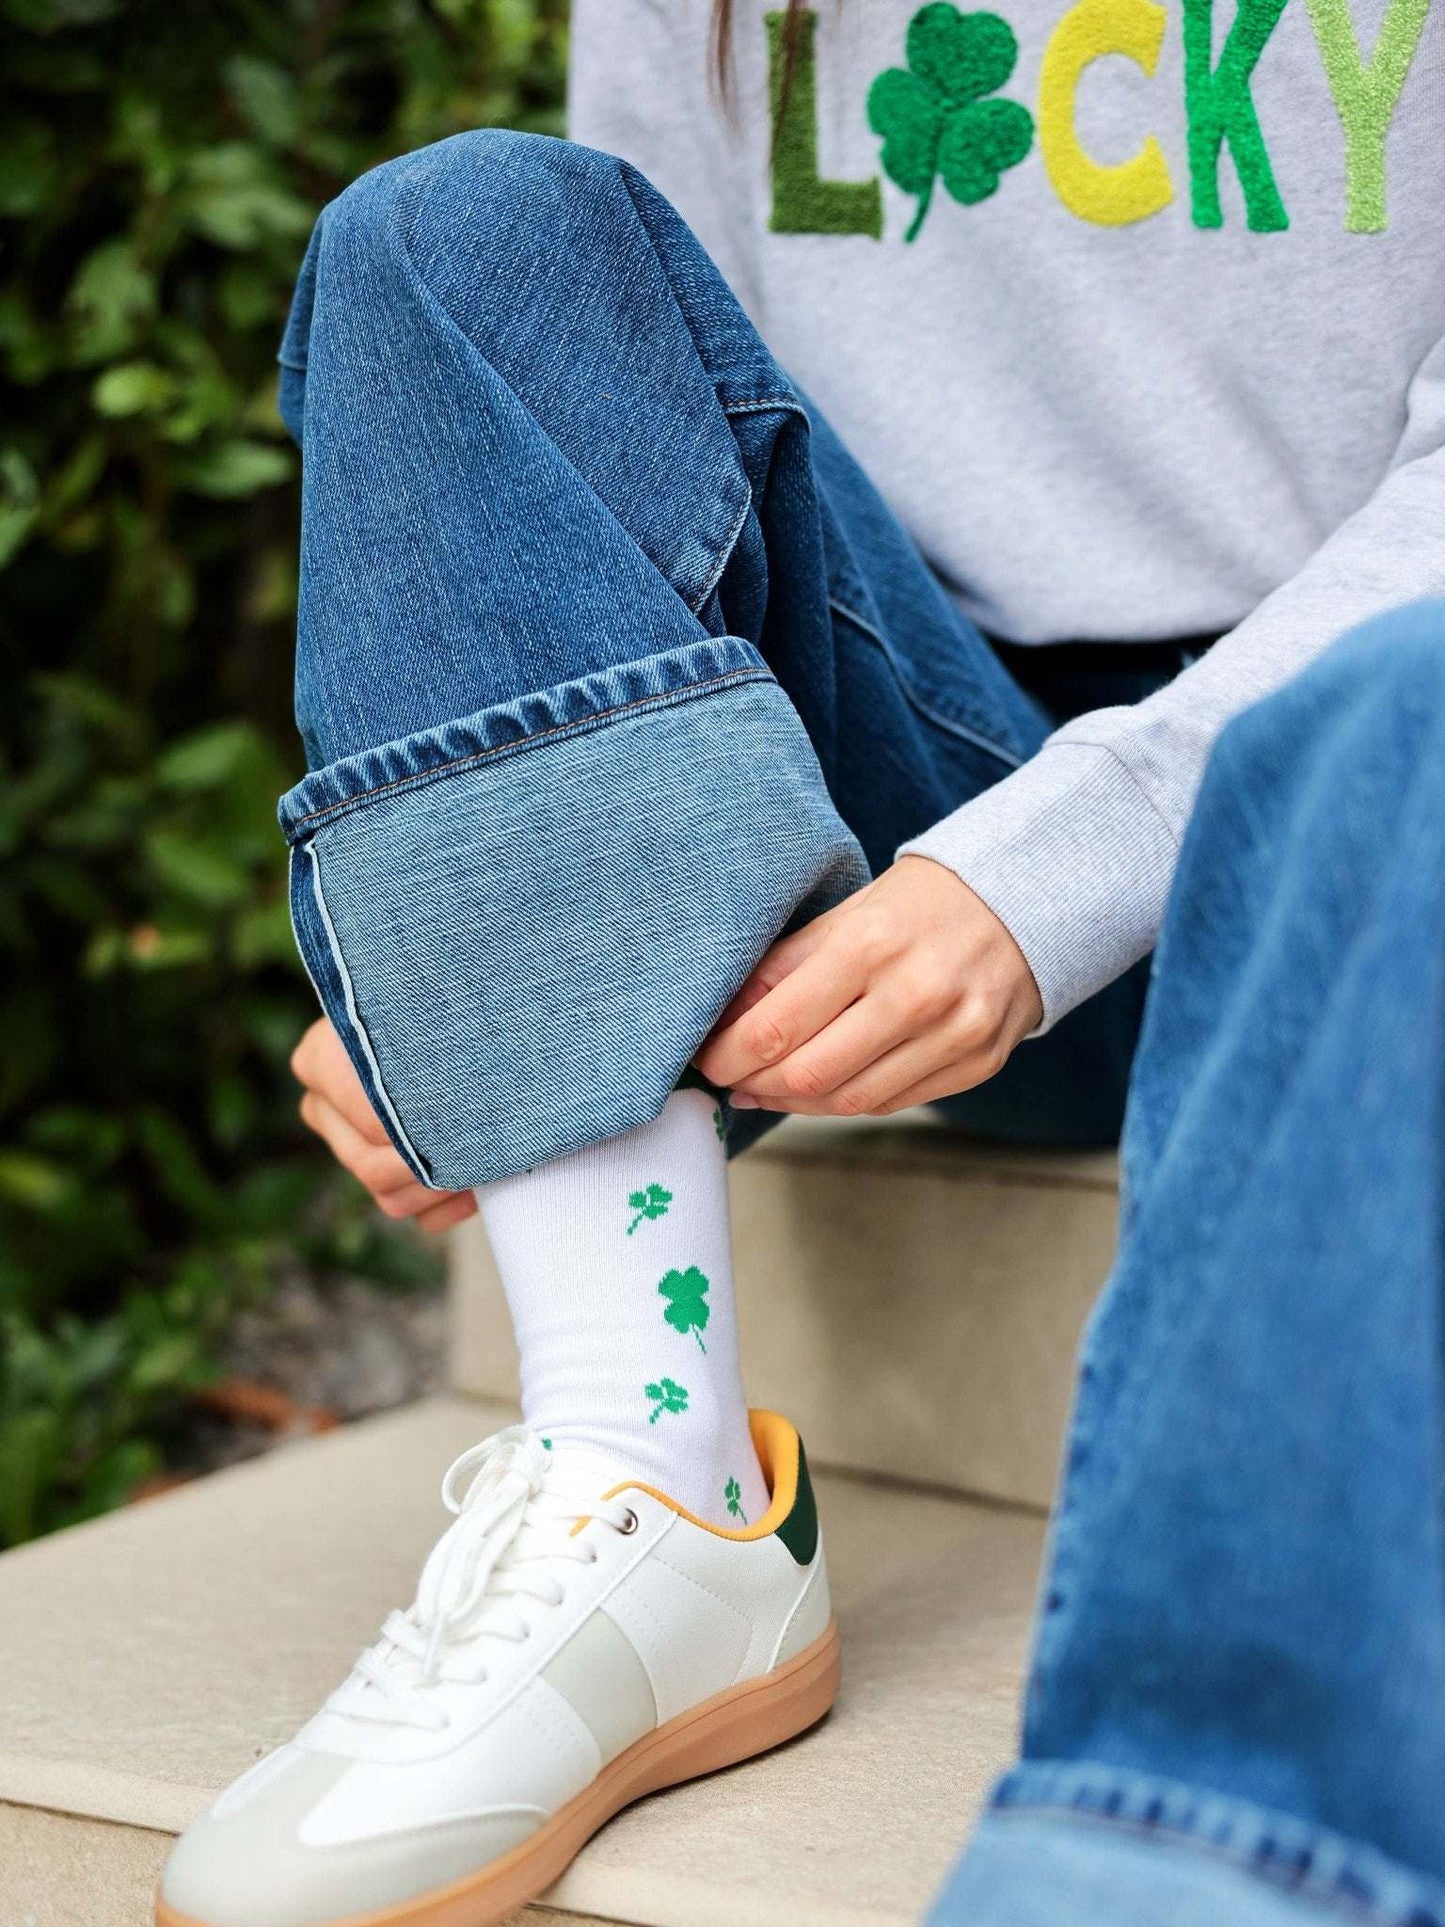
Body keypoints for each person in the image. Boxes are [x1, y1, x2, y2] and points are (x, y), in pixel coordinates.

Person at [156, 4, 1445, 1923]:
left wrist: (1045, 877)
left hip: (1355, 802)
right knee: (459, 236)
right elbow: (606, 446)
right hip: (901, 763)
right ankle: (646, 1492)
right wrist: (495, 942)